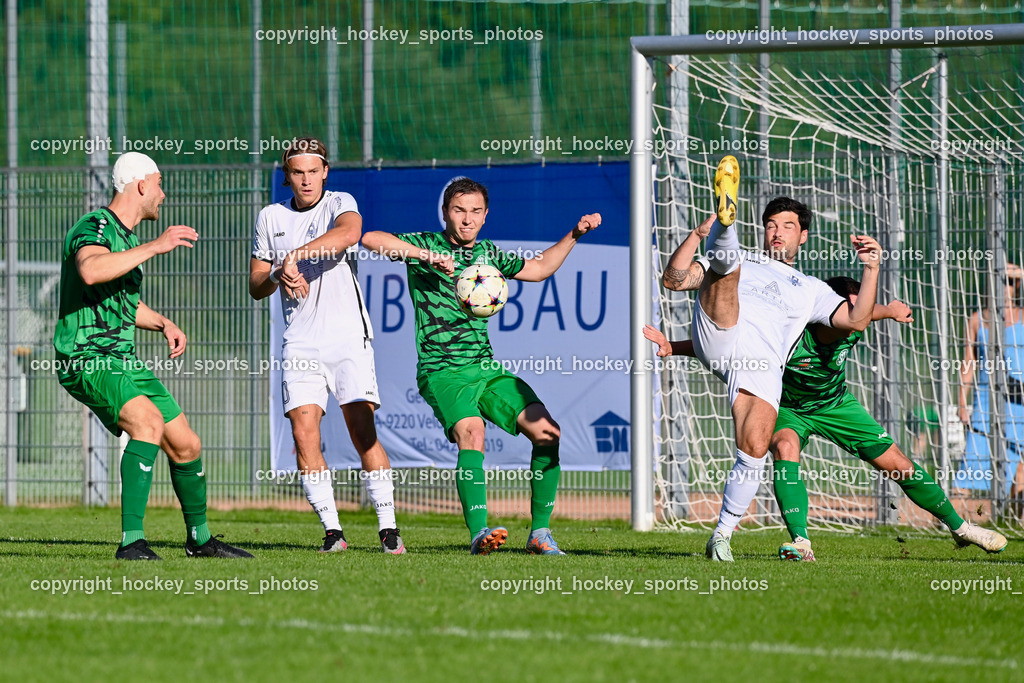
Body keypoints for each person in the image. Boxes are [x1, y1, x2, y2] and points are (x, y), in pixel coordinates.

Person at [646, 276, 1007, 561]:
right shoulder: (790, 332)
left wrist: (890, 309)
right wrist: (673, 347)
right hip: (787, 408)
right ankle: (801, 542)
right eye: (849, 309)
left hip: (835, 405)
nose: (856, 317)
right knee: (784, 447)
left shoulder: (854, 323)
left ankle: (962, 529)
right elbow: (726, 348)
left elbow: (866, 311)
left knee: (899, 465)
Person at [362, 178, 600, 555]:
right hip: (442, 370)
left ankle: (540, 534)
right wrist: (425, 256)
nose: (467, 219)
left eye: (475, 211)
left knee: (548, 432)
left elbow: (539, 269)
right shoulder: (427, 244)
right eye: (459, 210)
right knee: (472, 433)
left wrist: (575, 234)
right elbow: (371, 239)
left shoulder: (488, 253)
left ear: (486, 216)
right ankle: (479, 533)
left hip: (486, 368)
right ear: (445, 212)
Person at [661, 155, 881, 562]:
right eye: (771, 225)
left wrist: (871, 269)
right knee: (728, 269)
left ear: (804, 236)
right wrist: (696, 236)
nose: (777, 232)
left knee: (755, 448)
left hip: (759, 364)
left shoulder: (812, 288)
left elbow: (855, 319)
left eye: (788, 226)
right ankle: (725, 228)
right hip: (719, 331)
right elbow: (673, 281)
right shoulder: (750, 258)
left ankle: (721, 537)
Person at [54, 152, 252, 560]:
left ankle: (200, 540)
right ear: (141, 185)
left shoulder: (127, 241)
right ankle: (132, 542)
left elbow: (122, 303)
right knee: (147, 422)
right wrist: (156, 246)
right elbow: (90, 270)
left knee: (187, 444)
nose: (163, 194)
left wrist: (162, 322)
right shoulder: (95, 226)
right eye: (159, 184)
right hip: (87, 358)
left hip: (122, 359)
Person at [249, 137, 404, 554]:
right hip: (300, 342)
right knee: (304, 435)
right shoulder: (270, 216)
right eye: (298, 172)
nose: (306, 180)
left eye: (313, 172)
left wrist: (294, 256)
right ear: (287, 176)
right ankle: (333, 532)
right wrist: (278, 273)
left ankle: (388, 529)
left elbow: (350, 233)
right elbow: (255, 284)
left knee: (362, 432)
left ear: (325, 173)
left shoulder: (339, 202)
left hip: (347, 336)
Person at [954, 264, 1024, 515]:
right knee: (971, 462)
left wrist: (1019, 272)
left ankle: (1013, 521)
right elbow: (968, 363)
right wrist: (962, 402)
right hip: (986, 401)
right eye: (1000, 281)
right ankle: (948, 521)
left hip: (1019, 403)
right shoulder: (977, 319)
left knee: (1019, 466)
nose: (1004, 287)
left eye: (1010, 282)